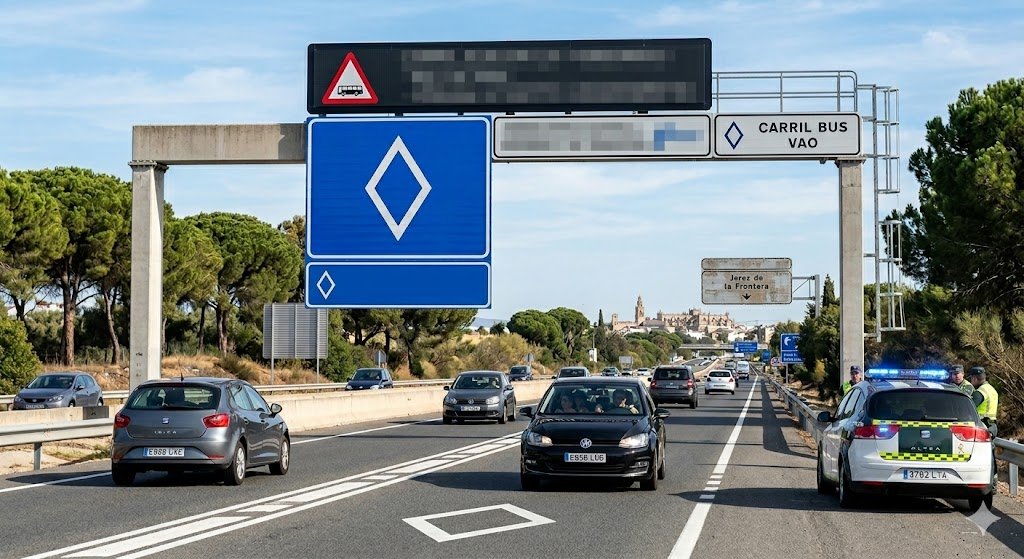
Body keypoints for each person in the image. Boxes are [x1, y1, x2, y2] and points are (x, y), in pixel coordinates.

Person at [967, 366, 999, 437]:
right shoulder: (992, 389)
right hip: (992, 426)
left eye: (971, 378)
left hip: (982, 425)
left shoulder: (980, 392)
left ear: (974, 378)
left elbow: (968, 409)